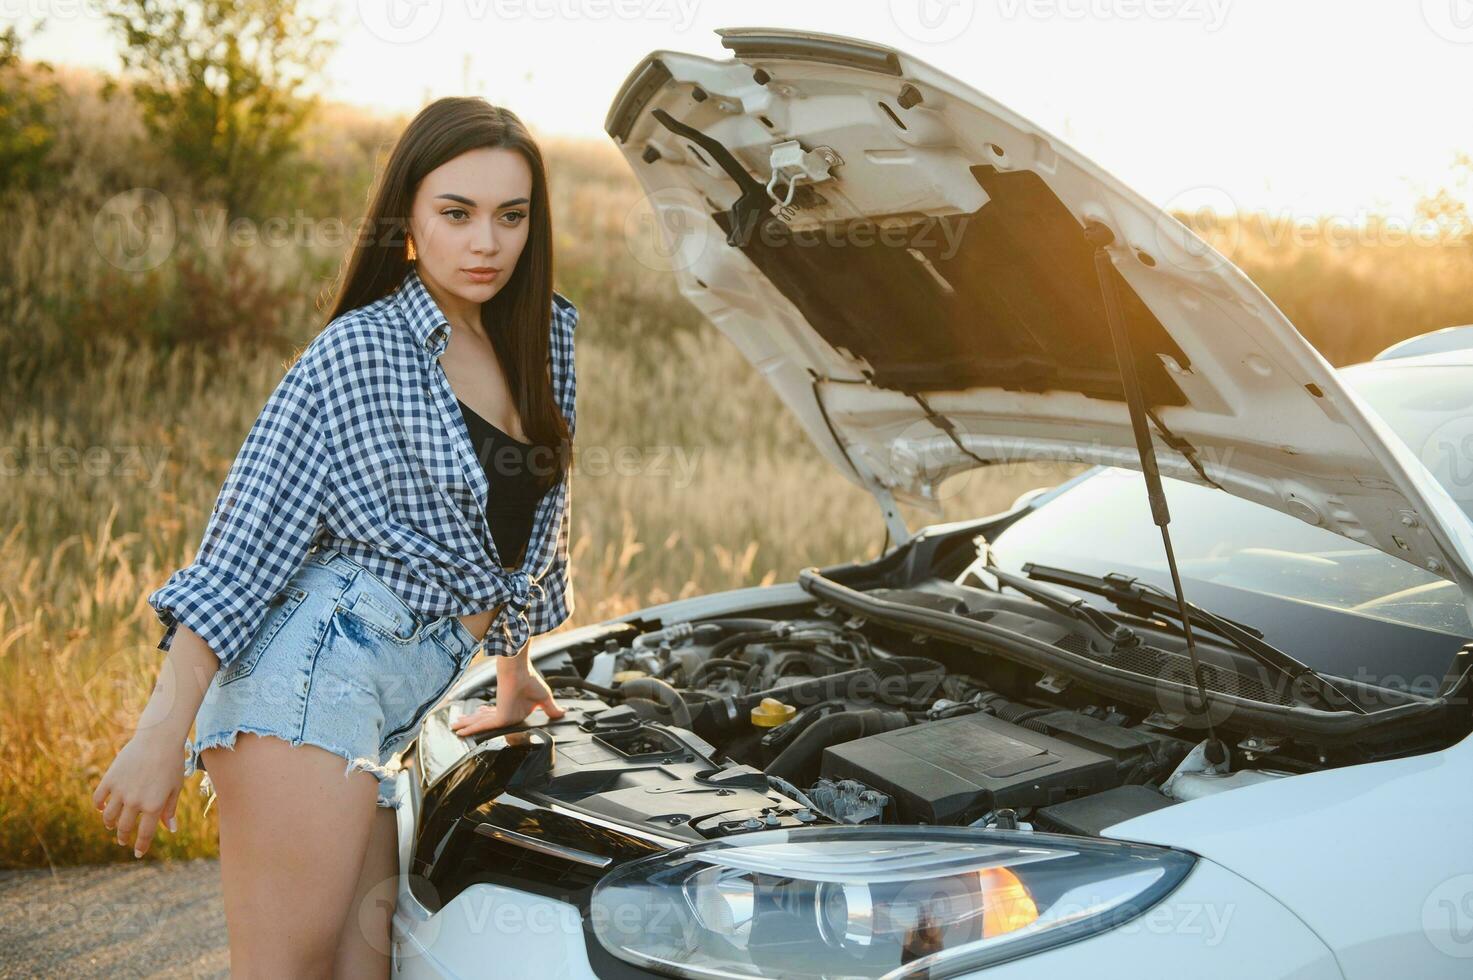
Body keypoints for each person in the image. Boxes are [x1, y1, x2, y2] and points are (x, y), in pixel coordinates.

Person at [90, 97, 578, 977]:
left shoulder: (544, 337)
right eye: (455, 213)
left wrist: (515, 669)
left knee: (363, 972)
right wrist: (161, 733)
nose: (486, 244)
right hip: (308, 693)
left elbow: (534, 530)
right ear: (408, 221)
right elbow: (241, 550)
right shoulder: (357, 354)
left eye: (511, 216)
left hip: (387, 713)